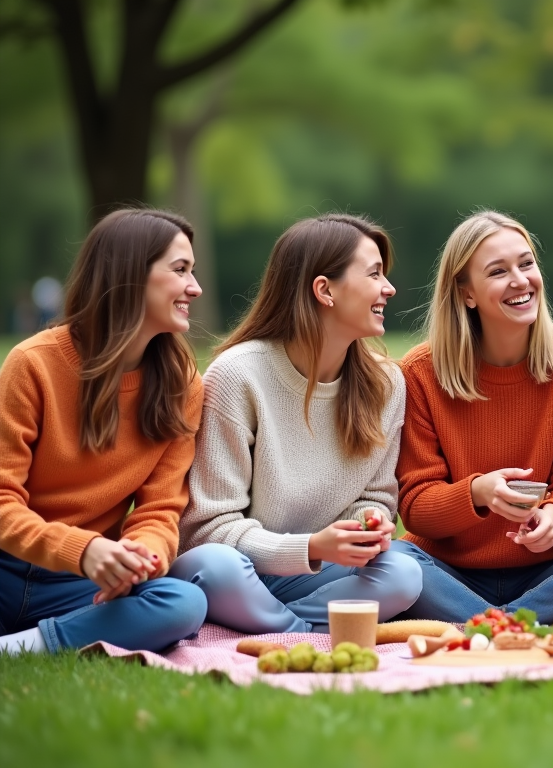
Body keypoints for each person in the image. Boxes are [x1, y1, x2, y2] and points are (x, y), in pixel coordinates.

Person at [170, 214, 421, 634]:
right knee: (216, 567)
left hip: (317, 573)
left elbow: (377, 497)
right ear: (324, 290)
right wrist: (309, 546)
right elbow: (205, 529)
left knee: (404, 573)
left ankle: (274, 629)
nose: (388, 288)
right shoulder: (238, 375)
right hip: (238, 567)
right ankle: (302, 635)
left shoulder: (385, 383)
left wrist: (367, 525)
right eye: (374, 273)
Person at [391, 211, 553, 624]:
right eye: (498, 271)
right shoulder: (419, 372)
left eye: (526, 263)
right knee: (392, 561)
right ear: (466, 294)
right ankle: (518, 625)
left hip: (545, 571)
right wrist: (479, 492)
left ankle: (487, 625)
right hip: (446, 572)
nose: (520, 279)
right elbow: (415, 507)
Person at [0, 208, 208, 654]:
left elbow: (159, 512)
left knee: (184, 603)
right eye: (180, 270)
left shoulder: (181, 386)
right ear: (131, 275)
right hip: (10, 564)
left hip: (82, 584)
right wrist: (83, 548)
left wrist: (136, 562)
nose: (195, 287)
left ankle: (25, 647)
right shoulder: (32, 364)